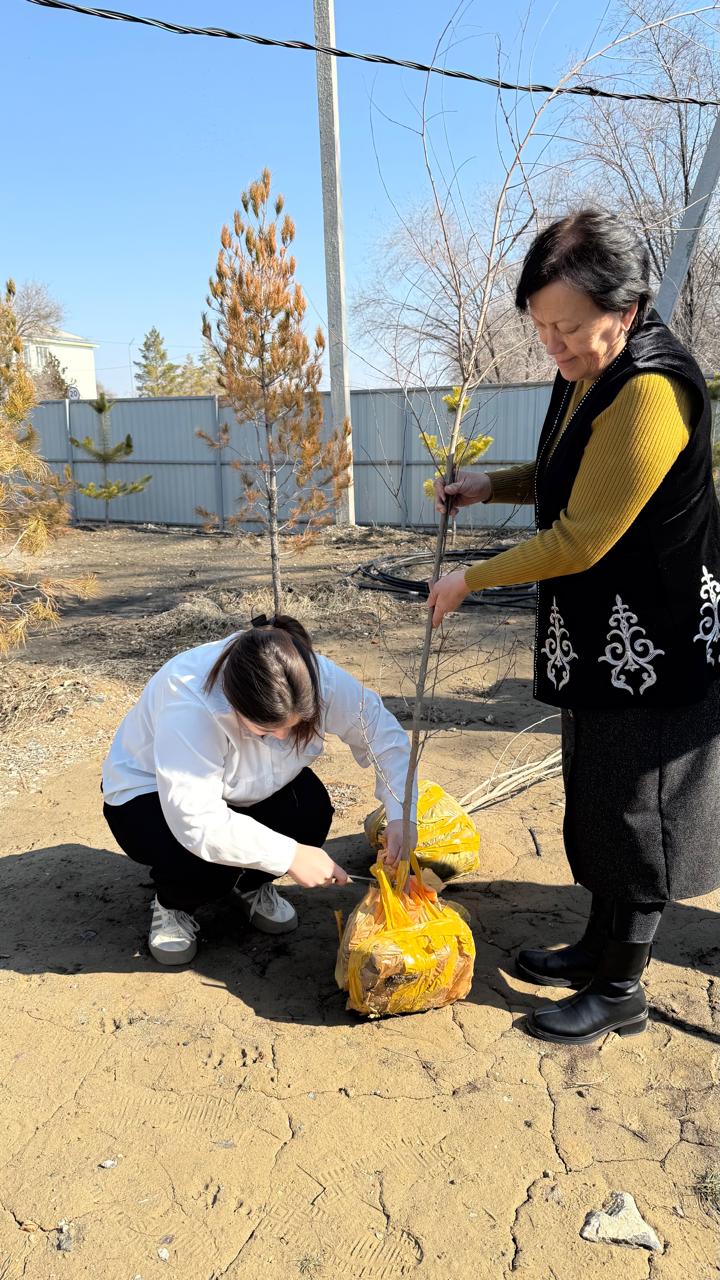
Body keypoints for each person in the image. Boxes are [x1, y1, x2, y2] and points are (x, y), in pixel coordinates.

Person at [429, 208, 720, 1045]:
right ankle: (597, 948)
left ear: (625, 311)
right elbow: (570, 472)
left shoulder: (650, 390)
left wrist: (469, 580)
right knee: (598, 790)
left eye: (567, 327)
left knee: (639, 808)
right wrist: (491, 484)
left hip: (654, 638)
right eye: (540, 327)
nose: (551, 344)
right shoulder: (590, 369)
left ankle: (622, 990)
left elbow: (583, 537)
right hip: (600, 632)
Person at [102, 614, 417, 966]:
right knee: (206, 864)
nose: (282, 737)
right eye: (266, 730)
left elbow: (383, 738)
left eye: (294, 725)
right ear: (234, 703)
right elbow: (195, 820)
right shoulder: (189, 701)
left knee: (310, 813)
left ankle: (250, 884)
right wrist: (290, 856)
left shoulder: (313, 676)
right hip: (151, 796)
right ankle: (173, 904)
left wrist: (401, 815)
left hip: (246, 786)